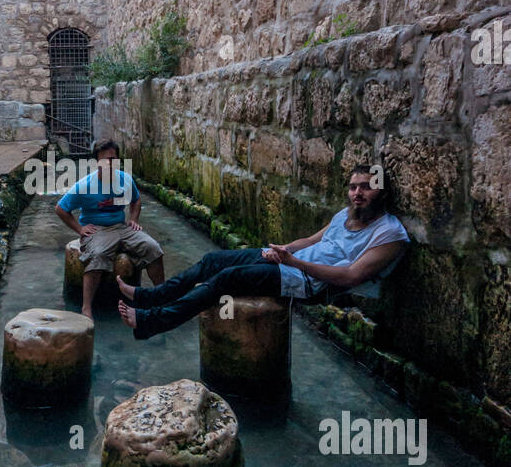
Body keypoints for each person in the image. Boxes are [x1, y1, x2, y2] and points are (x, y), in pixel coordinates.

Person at [117, 165, 410, 339]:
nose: (357, 194)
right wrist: (285, 249)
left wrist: (292, 261)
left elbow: (349, 277)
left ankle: (153, 320)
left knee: (226, 279)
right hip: (290, 263)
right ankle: (149, 296)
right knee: (213, 260)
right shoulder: (345, 215)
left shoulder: (390, 234)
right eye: (352, 187)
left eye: (365, 188)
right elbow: (310, 240)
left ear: (382, 192)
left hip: (306, 282)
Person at [55, 139, 166, 319]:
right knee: (97, 255)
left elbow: (136, 199)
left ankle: (162, 297)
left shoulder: (125, 179)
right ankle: (86, 308)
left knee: (153, 248)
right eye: (105, 160)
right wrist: (80, 229)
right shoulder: (84, 185)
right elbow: (61, 209)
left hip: (122, 227)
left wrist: (133, 219)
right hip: (97, 229)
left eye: (113, 159)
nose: (109, 164)